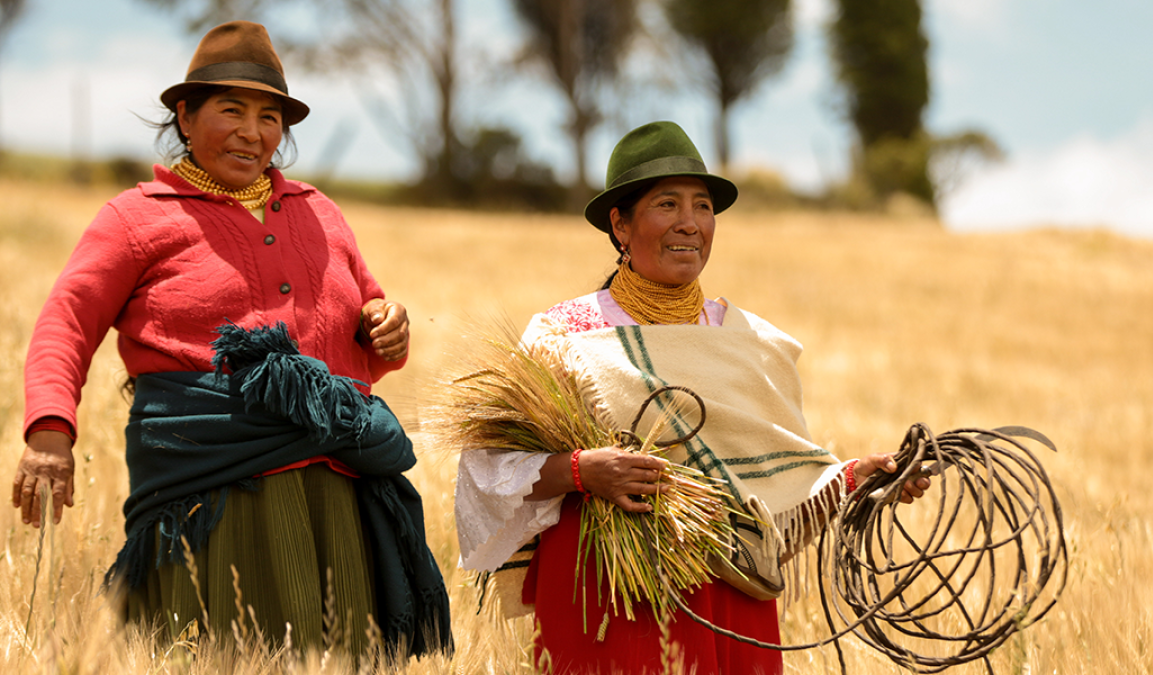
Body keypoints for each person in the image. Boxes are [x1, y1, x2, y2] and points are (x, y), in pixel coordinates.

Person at [11, 21, 450, 658]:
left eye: (270, 116)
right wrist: (49, 435)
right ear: (185, 117)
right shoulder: (137, 217)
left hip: (336, 491)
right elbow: (66, 322)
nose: (253, 131)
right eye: (231, 109)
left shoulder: (319, 211)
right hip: (215, 492)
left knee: (343, 657)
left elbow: (367, 329)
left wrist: (387, 327)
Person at [454, 121, 929, 674]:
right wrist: (583, 471)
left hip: (731, 594)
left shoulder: (750, 342)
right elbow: (487, 472)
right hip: (610, 593)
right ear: (620, 225)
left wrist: (852, 480)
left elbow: (772, 495)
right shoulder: (566, 335)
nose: (690, 223)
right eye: (666, 204)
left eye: (702, 206)